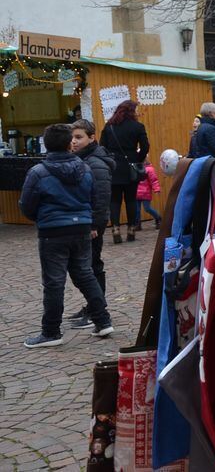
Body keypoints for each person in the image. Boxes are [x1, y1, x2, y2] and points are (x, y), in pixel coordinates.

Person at [20, 124, 114, 347]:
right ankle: (102, 320)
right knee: (85, 275)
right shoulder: (85, 169)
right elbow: (94, 198)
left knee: (54, 282)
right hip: (81, 228)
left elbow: (27, 205)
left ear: (46, 144)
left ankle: (51, 332)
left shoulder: (38, 172)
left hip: (53, 232)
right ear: (69, 143)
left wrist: (42, 218)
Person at [66, 119, 115, 330]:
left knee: (91, 265)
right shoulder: (82, 158)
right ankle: (93, 306)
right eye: (72, 138)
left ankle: (97, 310)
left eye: (79, 137)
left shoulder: (95, 162)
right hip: (86, 220)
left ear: (92, 137)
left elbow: (102, 197)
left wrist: (94, 225)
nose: (74, 142)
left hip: (92, 222)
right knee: (88, 265)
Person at [99, 100, 149, 244]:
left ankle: (115, 229)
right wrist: (137, 159)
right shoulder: (138, 126)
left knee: (114, 200)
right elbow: (145, 147)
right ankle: (131, 229)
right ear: (131, 111)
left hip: (113, 166)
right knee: (131, 199)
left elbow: (102, 147)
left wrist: (109, 160)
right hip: (130, 166)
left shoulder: (109, 126)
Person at [133, 161, 162, 230]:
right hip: (136, 192)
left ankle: (158, 218)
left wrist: (156, 188)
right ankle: (137, 224)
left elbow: (154, 180)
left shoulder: (149, 169)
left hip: (145, 192)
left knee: (147, 208)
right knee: (136, 210)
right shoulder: (134, 167)